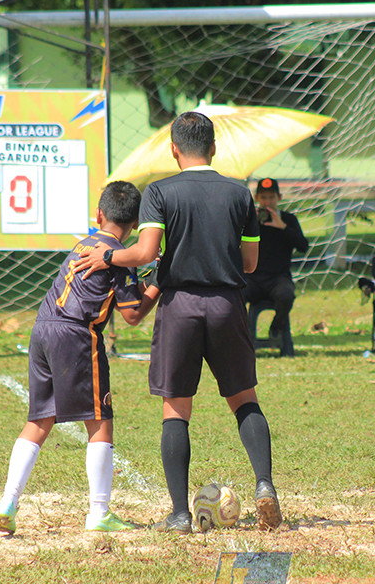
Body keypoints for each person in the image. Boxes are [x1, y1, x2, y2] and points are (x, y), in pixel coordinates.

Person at [73, 111, 282, 533]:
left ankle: (180, 514)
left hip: (180, 307)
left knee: (176, 411)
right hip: (227, 305)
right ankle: (264, 485)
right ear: (215, 148)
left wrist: (108, 255)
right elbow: (251, 262)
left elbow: (147, 252)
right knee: (244, 399)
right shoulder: (239, 195)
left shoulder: (161, 192)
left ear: (173, 149)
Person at [0, 181, 160, 536]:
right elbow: (132, 315)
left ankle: (7, 501)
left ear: (99, 214)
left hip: (43, 328)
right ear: (134, 226)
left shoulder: (84, 244)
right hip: (77, 335)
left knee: (40, 420)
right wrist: (159, 282)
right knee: (100, 422)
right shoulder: (118, 257)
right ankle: (99, 513)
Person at [242, 177, 308, 357]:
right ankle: (241, 338)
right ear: (256, 198)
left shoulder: (288, 219)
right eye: (263, 198)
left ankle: (276, 327)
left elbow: (303, 246)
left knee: (286, 295)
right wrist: (250, 223)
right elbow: (233, 245)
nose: (267, 202)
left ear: (279, 197)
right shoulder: (249, 220)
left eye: (271, 198)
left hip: (278, 277)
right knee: (235, 295)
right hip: (253, 277)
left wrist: (283, 227)